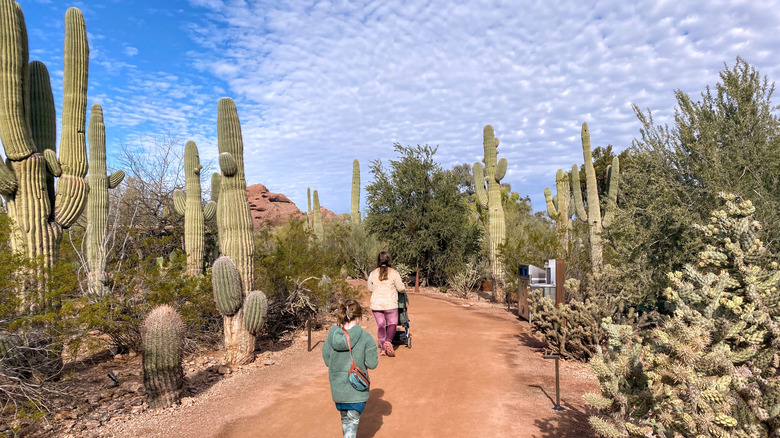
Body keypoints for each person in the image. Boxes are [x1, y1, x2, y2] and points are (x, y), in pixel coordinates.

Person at [323, 299, 379, 438]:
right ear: (359, 317)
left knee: (345, 420)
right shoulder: (366, 338)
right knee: (352, 422)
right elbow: (372, 364)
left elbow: (327, 360)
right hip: (357, 389)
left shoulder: (331, 336)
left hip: (338, 389)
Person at [367, 251, 405, 357]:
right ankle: (388, 342)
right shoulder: (394, 273)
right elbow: (400, 288)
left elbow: (370, 288)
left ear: (378, 260)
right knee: (393, 323)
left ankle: (383, 348)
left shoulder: (373, 273)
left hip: (376, 304)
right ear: (389, 260)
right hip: (390, 304)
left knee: (381, 325)